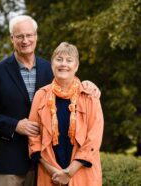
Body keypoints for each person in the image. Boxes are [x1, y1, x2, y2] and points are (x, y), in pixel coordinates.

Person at [0, 15, 100, 186]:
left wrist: (88, 84)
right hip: (11, 163)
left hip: (46, 164)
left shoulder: (50, 69)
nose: (25, 40)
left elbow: (68, 84)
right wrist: (15, 125)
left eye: (29, 35)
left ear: (36, 36)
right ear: (12, 38)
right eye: (19, 36)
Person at [28, 42, 103, 186]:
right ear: (52, 64)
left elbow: (93, 140)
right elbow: (34, 139)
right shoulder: (40, 95)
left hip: (83, 174)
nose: (64, 64)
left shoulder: (90, 96)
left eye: (69, 60)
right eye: (59, 59)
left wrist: (69, 172)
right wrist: (54, 172)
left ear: (76, 66)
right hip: (49, 174)